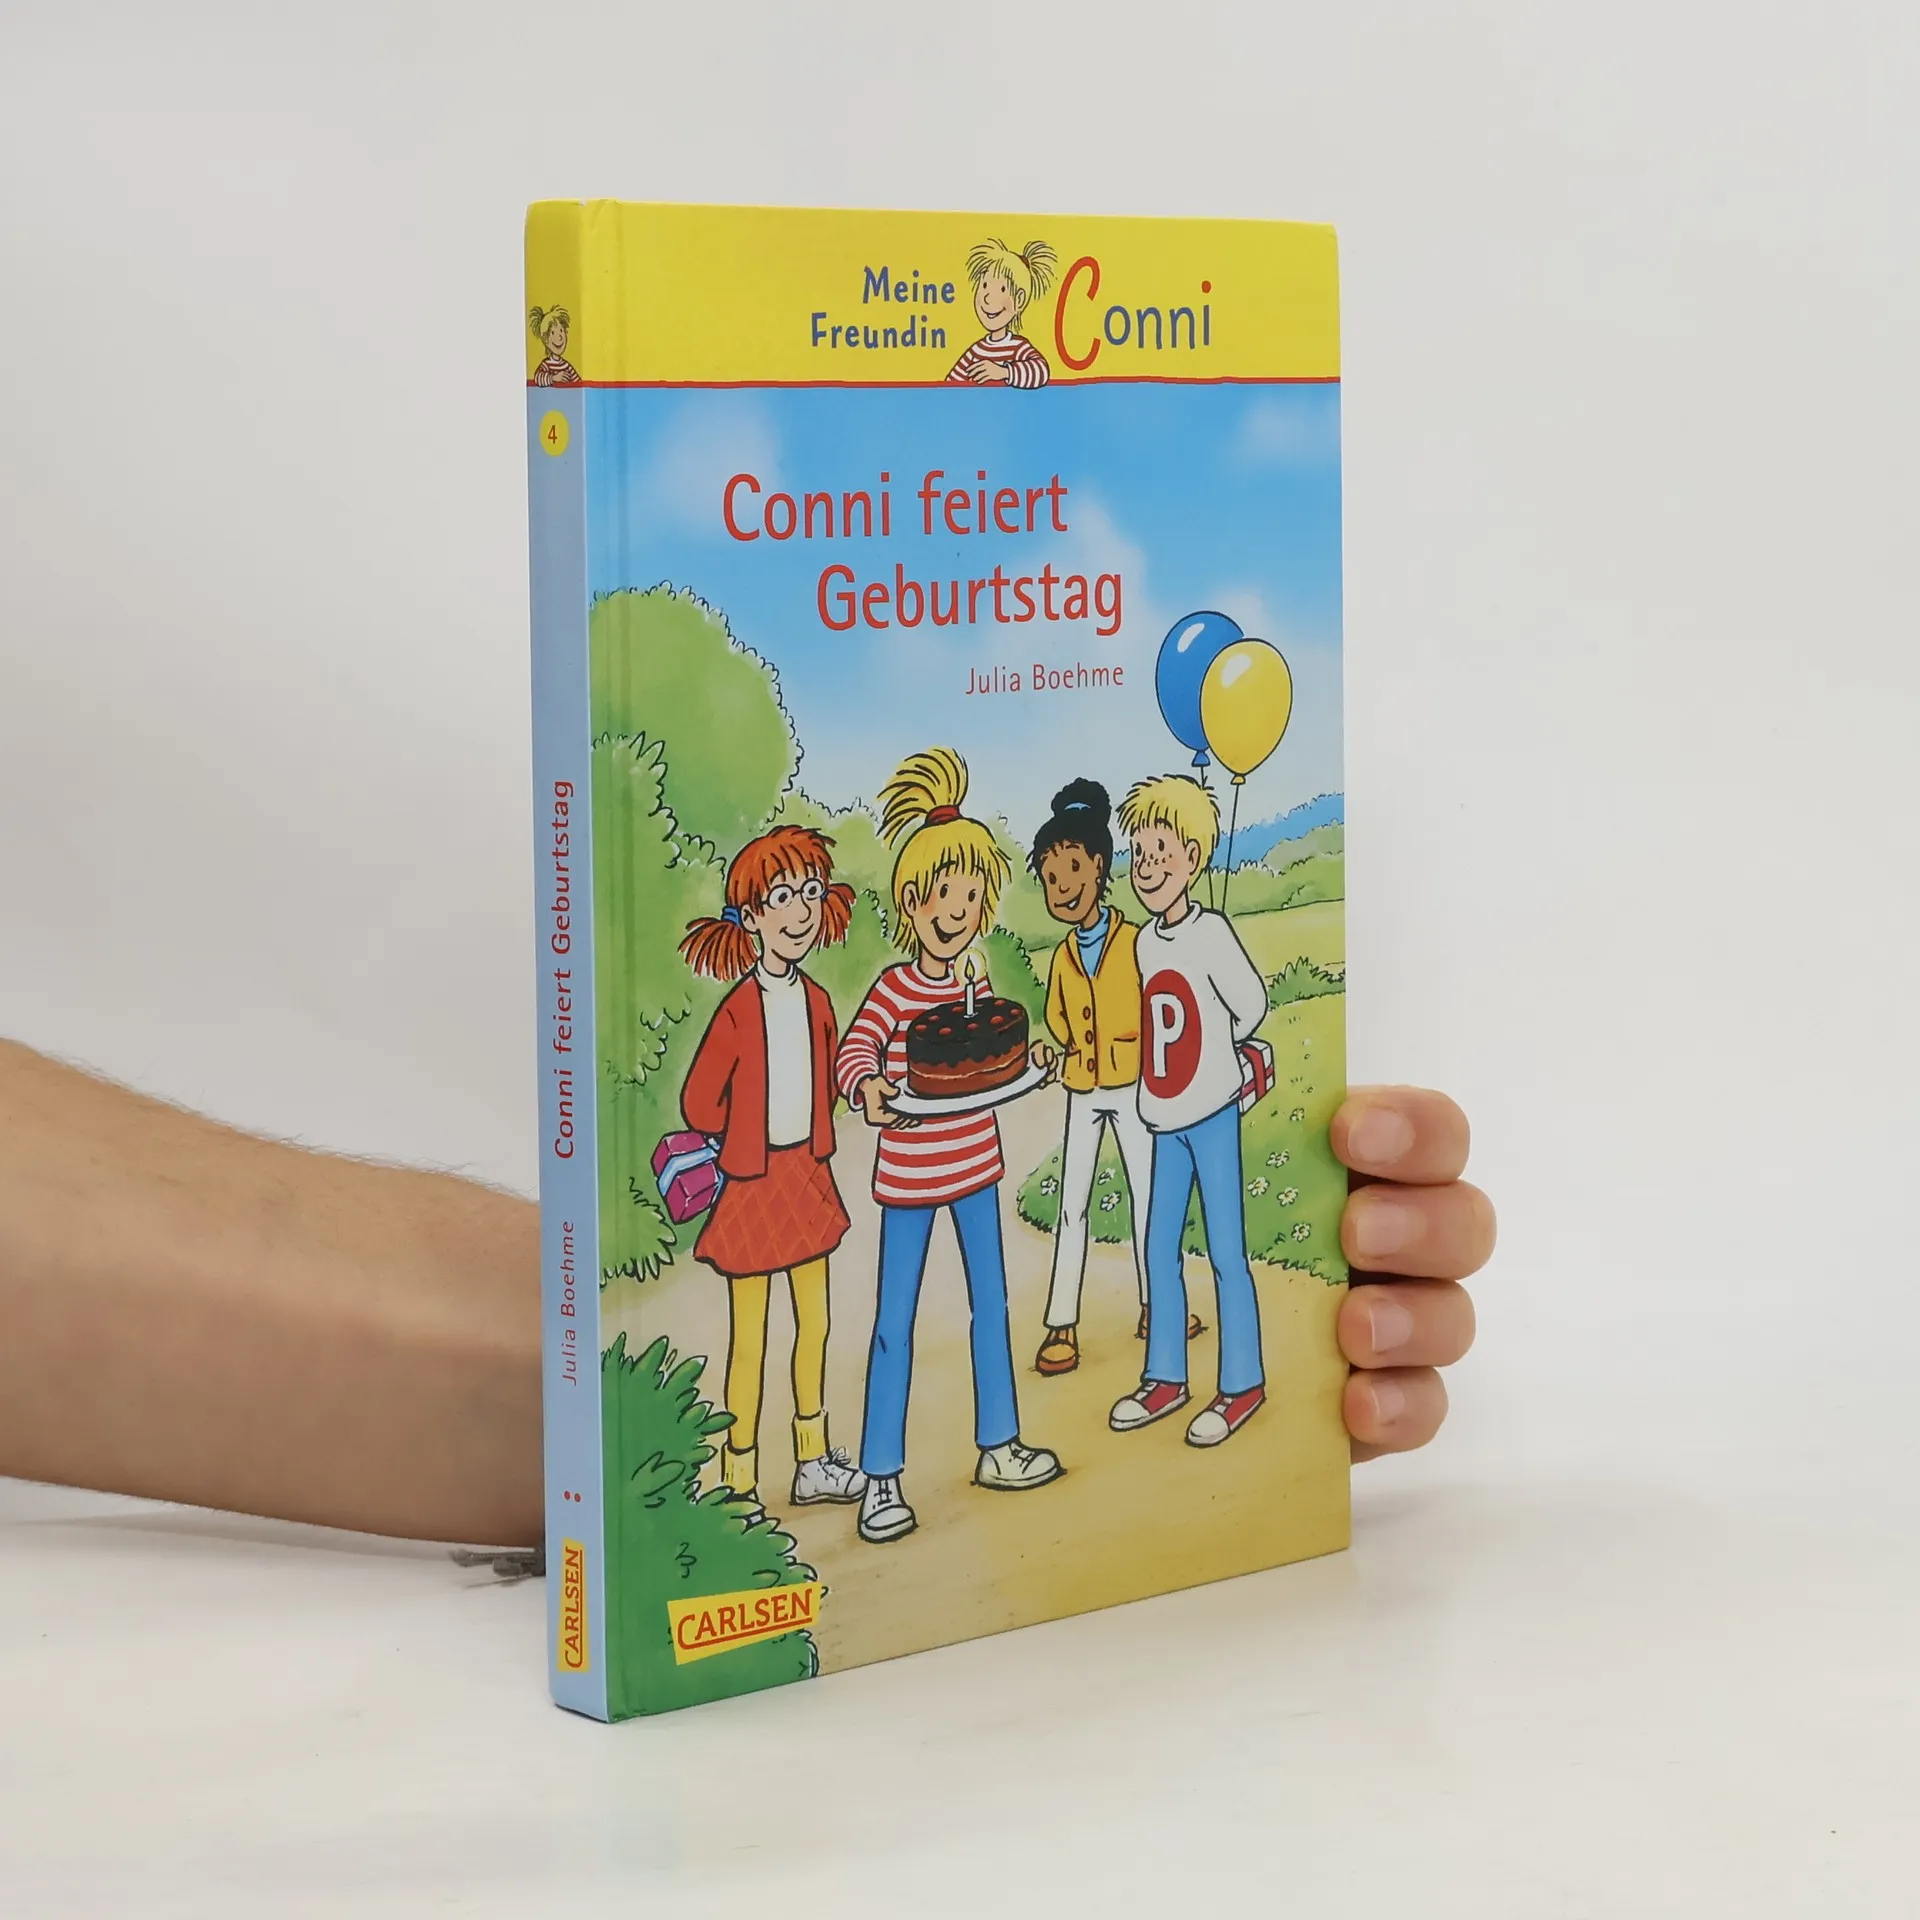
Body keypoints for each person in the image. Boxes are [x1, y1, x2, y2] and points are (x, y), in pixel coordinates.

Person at [0, 1037, 1491, 1545]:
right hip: (828, 1193)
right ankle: (861, 1466)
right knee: (845, 1322)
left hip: (891, 1192)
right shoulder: (832, 1007)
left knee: (855, 1325)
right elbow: (799, 1081)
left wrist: (589, 1390)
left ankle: (881, 1452)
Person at [833, 747, 1063, 1545]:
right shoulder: (894, 989)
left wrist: (1033, 1064)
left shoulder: (978, 986)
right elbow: (855, 1052)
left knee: (990, 1305)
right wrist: (867, 1087)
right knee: (894, 1321)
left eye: (970, 895)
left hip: (976, 1168)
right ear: (912, 900)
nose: (956, 910)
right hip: (908, 1175)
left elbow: (991, 1061)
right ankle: (881, 1479)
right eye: (943, 893)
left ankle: (999, 1445)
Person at [677, 826, 867, 1516]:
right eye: (782, 898)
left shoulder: (817, 1001)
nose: (801, 911)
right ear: (752, 918)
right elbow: (699, 1101)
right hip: (754, 1186)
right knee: (750, 1340)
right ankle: (740, 1480)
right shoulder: (737, 1008)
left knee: (814, 1324)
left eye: (810, 892)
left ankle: (812, 1459)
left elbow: (831, 1081)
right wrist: (744, 1131)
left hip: (805, 1178)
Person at [1109, 773, 1273, 1448]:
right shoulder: (1145, 943)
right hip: (1164, 1117)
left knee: (1227, 1250)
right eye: (1139, 854)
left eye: (1161, 853)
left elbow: (1252, 1004)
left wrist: (1219, 1054)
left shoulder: (1213, 933)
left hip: (1211, 1113)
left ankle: (1242, 1383)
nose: (1148, 867)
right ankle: (1165, 1377)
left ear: (1194, 859)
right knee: (1160, 1247)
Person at [1028, 777, 1200, 1376]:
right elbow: (1058, 1017)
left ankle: (1158, 1305)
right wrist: (1057, 1050)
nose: (1063, 888)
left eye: (1073, 870)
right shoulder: (1062, 957)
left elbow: (1159, 1004)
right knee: (1072, 1203)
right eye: (1050, 879)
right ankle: (1061, 1323)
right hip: (1082, 1086)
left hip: (1132, 1087)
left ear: (1100, 867)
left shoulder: (1135, 941)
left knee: (1147, 1196)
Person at [946, 238, 1056, 387]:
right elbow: (950, 385)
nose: (987, 298)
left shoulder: (1018, 347)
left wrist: (1004, 372)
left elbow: (1041, 372)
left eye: (1002, 289)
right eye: (985, 285)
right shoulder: (976, 351)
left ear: (1019, 300)